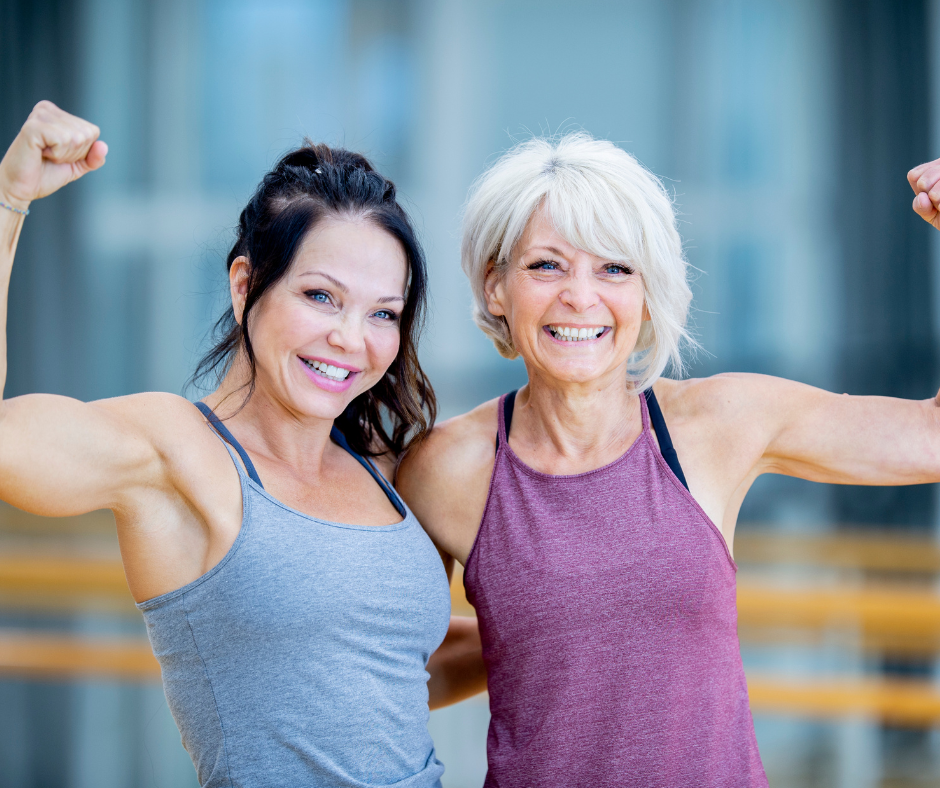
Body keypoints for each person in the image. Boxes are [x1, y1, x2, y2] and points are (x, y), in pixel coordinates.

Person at [397, 132, 940, 787]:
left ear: (647, 293)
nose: (580, 296)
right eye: (546, 265)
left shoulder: (719, 423)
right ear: (496, 288)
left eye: (615, 269)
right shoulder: (446, 469)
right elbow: (391, 666)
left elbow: (929, 437)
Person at [0, 101, 485, 788]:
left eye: (383, 314)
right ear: (245, 284)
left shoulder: (377, 464)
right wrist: (8, 197)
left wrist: (559, 632)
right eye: (321, 296)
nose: (352, 338)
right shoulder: (176, 451)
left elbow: (394, 673)